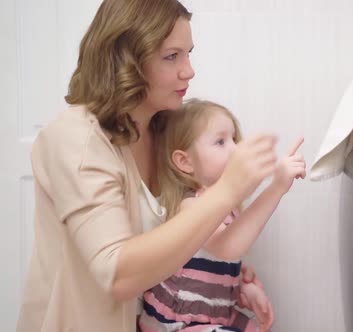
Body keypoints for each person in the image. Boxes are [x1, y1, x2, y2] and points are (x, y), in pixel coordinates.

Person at [16, 1, 279, 331]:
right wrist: (227, 191)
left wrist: (228, 277)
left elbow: (180, 239)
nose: (189, 70)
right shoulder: (76, 139)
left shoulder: (163, 132)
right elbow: (119, 275)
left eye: (188, 53)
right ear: (126, 61)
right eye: (172, 56)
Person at [138, 99, 306, 331]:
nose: (236, 149)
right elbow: (229, 246)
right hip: (178, 322)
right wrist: (276, 187)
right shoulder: (191, 206)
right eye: (220, 141)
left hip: (209, 317)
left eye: (235, 140)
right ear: (185, 162)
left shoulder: (229, 209)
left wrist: (240, 289)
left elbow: (211, 268)